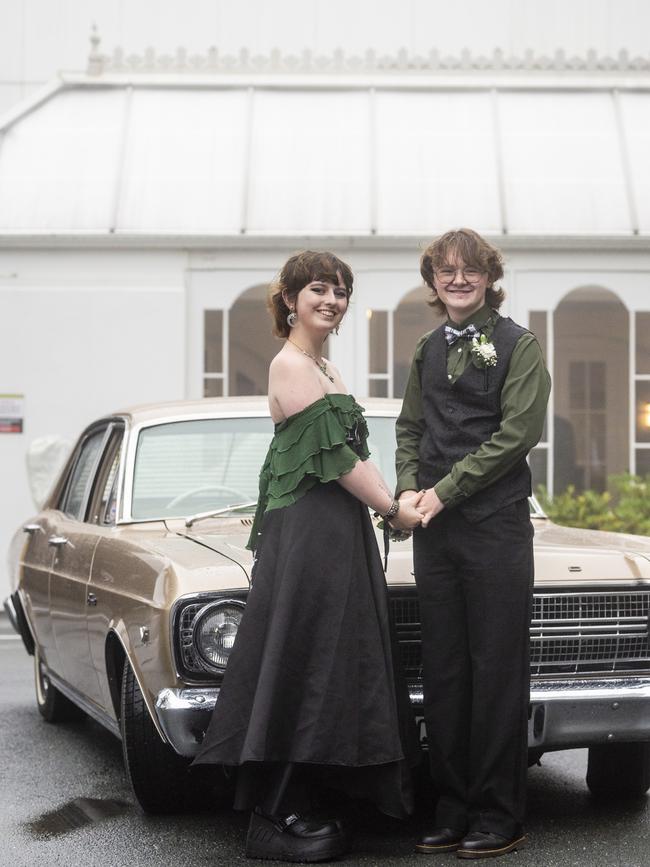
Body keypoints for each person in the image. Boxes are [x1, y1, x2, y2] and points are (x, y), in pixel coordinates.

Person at [194, 250, 423, 863]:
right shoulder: (289, 366)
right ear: (290, 299)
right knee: (305, 651)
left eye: (341, 291)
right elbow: (339, 463)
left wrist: (393, 499)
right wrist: (393, 510)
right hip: (308, 534)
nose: (332, 299)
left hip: (338, 528)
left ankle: (325, 794)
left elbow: (358, 455)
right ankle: (272, 815)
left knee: (338, 654)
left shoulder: (326, 368)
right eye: (319, 289)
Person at [395, 229, 551, 860]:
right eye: (445, 271)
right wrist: (407, 491)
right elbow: (409, 428)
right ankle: (452, 806)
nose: (457, 280)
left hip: (495, 529)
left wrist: (444, 490)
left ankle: (499, 813)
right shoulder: (427, 348)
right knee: (446, 670)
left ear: (489, 277)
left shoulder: (520, 345)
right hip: (435, 531)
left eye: (470, 270)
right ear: (433, 280)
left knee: (495, 671)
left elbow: (518, 434)